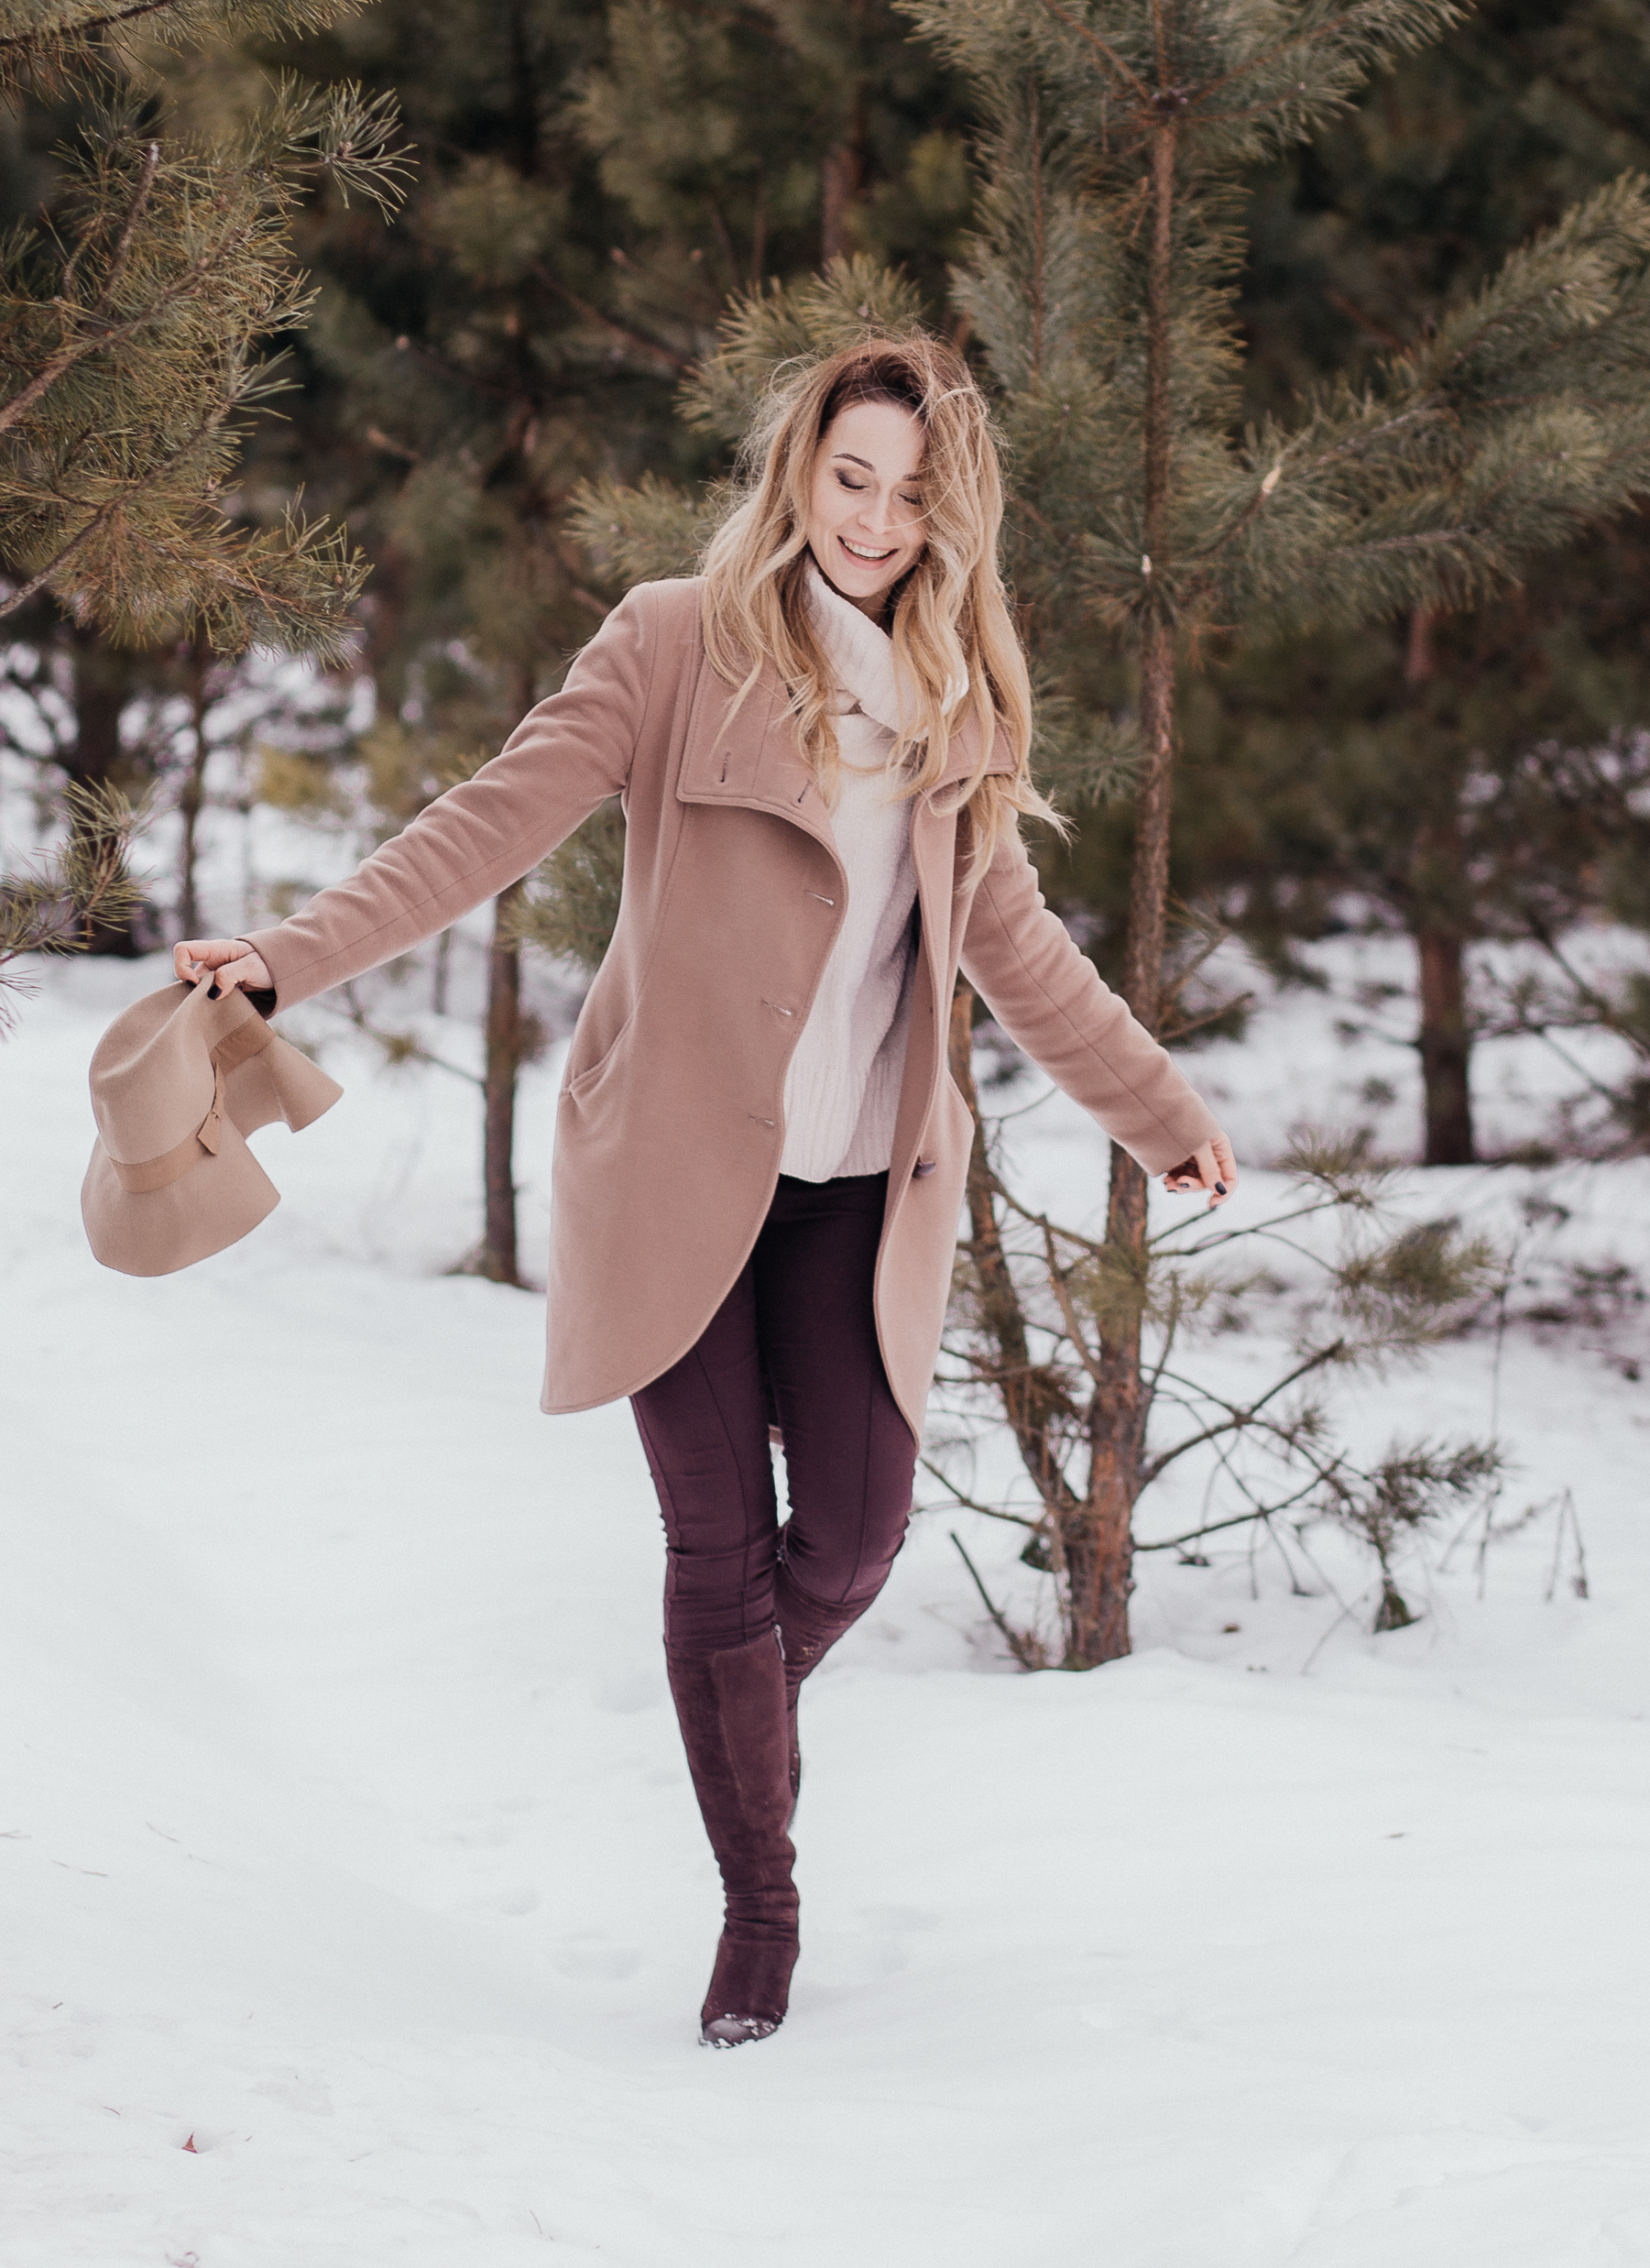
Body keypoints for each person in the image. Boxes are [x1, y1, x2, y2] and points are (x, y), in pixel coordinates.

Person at [176, 334, 1236, 2050]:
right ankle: (762, 1908)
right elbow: (487, 823)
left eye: (910, 491)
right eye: (850, 477)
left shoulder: (955, 701)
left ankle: (734, 1716)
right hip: (676, 1176)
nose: (875, 518)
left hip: (850, 1200)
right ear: (799, 472)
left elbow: (1012, 944)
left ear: (948, 513)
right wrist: (288, 963)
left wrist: (1154, 1107)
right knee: (718, 1556)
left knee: (862, 1531)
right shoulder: (675, 642)